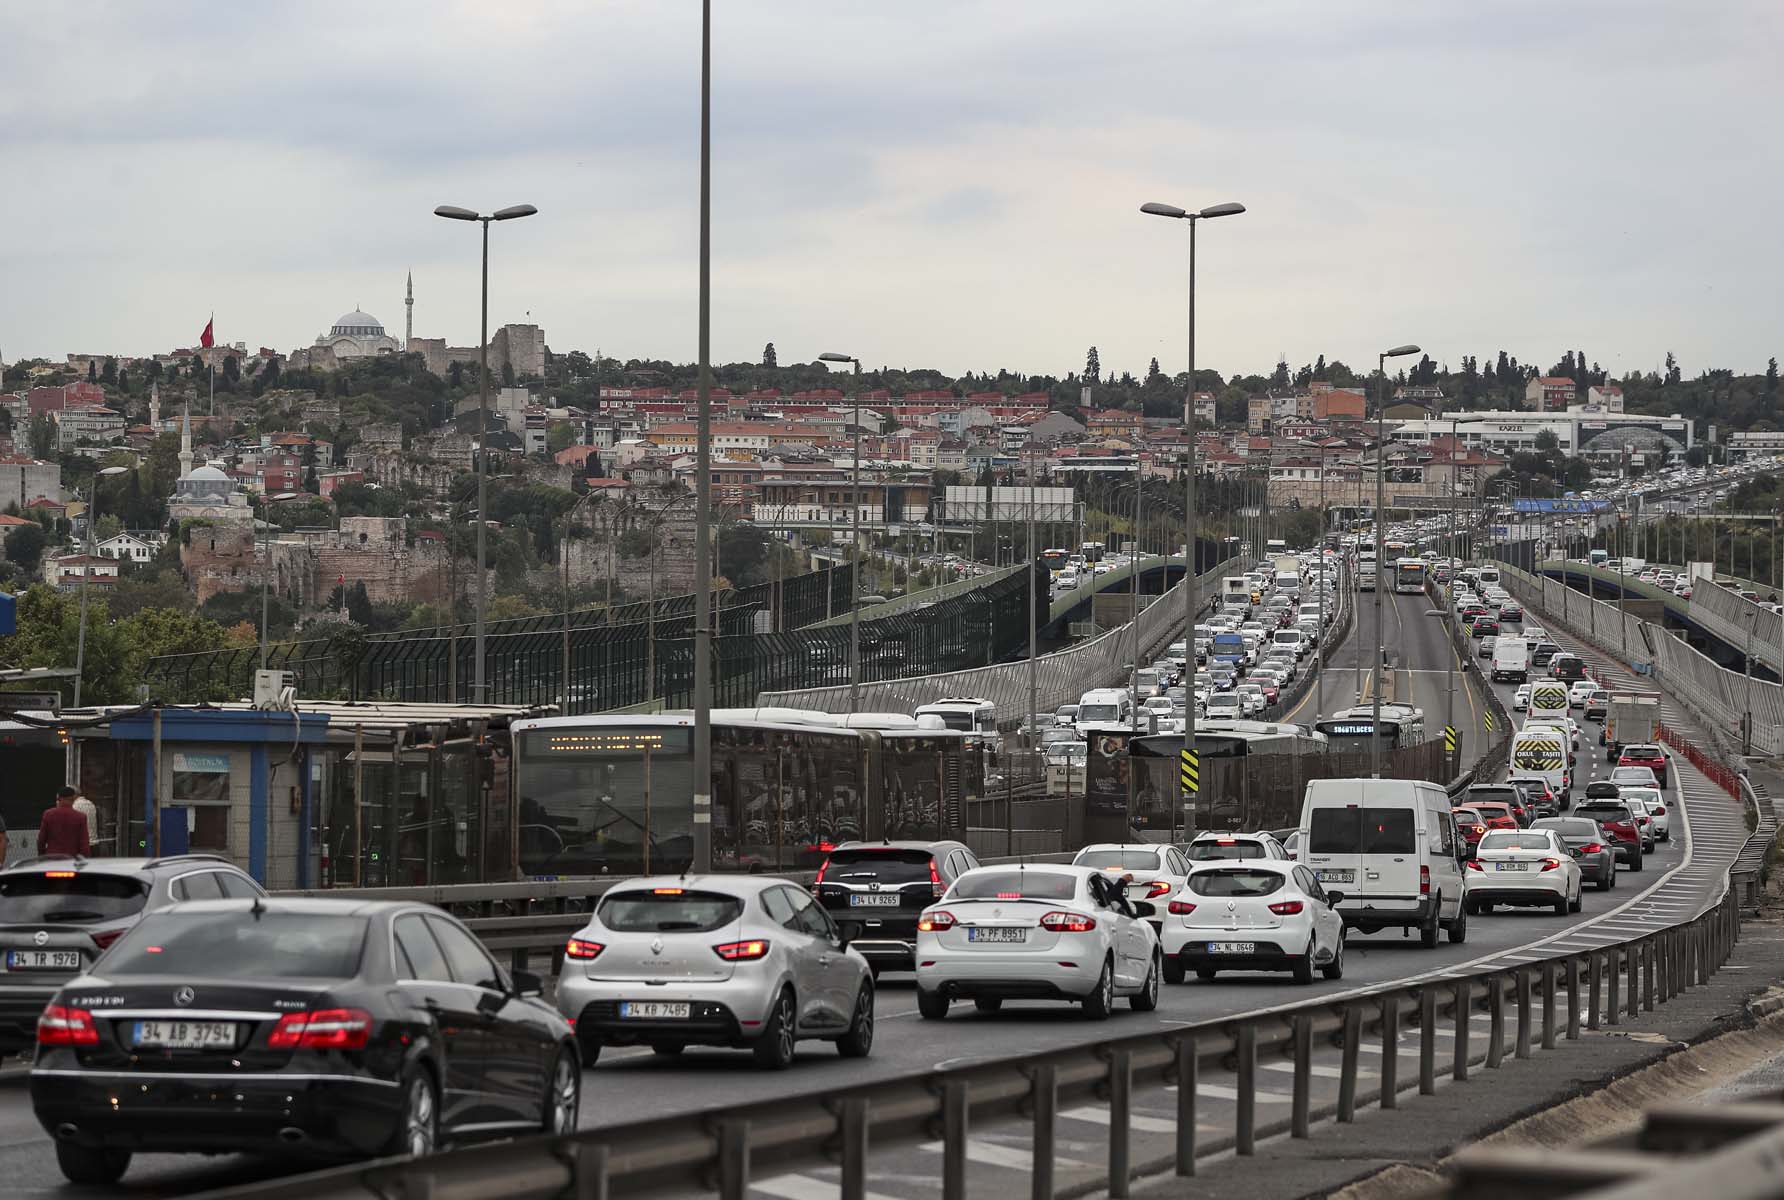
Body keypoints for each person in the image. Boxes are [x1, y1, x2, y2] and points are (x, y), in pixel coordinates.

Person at [38, 787, 91, 858]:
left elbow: (41, 839)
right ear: (73, 799)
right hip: (72, 859)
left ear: (59, 799)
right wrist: (85, 859)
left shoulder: (48, 814)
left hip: (52, 858)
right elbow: (84, 843)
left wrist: (42, 855)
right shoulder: (81, 817)